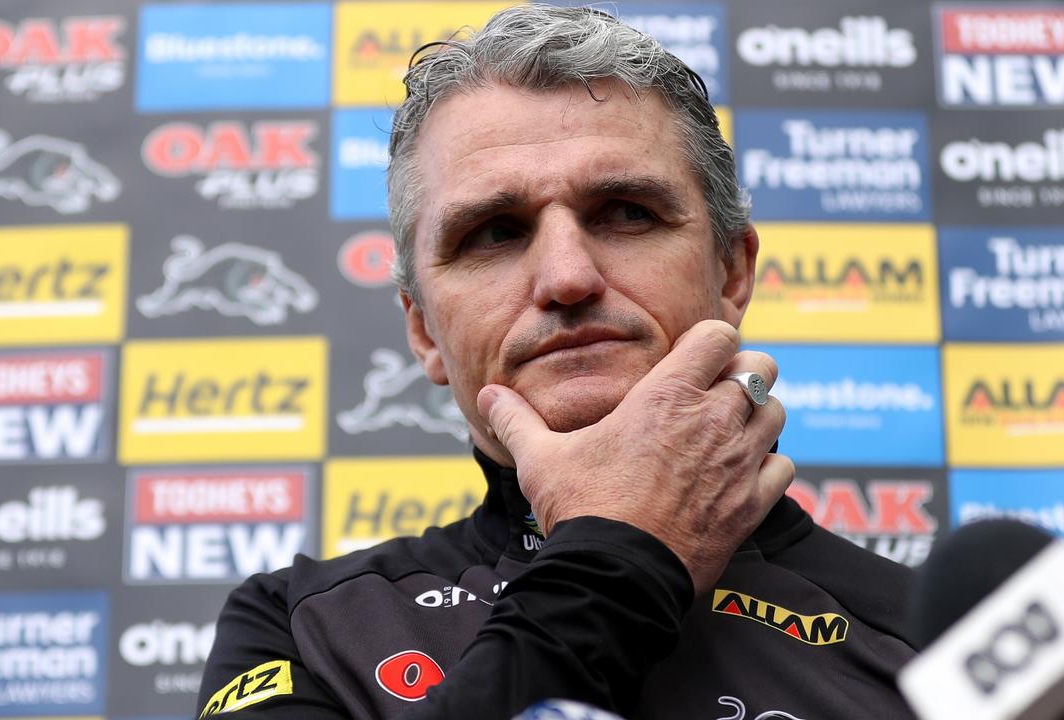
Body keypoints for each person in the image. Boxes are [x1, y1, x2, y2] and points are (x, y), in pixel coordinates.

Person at [196, 6, 916, 719]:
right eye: (494, 232)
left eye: (627, 212)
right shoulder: (299, 628)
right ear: (423, 329)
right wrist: (623, 557)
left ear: (732, 272)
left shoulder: (939, 640)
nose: (567, 277)